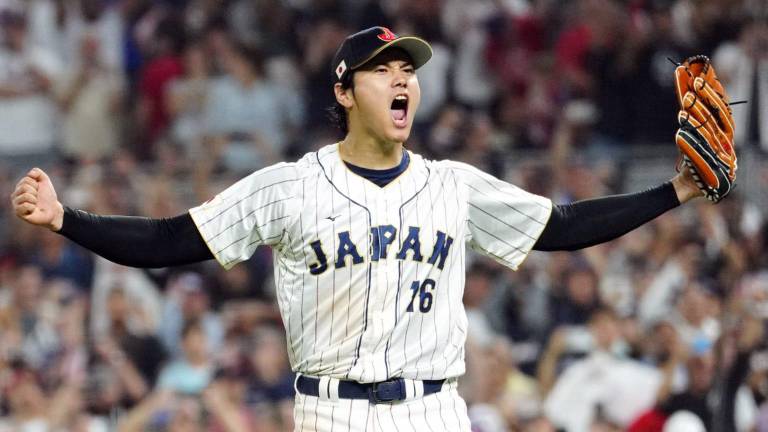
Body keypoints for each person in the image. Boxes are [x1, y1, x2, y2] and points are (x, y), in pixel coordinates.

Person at [12, 26, 704, 431]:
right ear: (344, 92)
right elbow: (169, 240)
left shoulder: (451, 184)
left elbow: (562, 225)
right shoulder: (289, 188)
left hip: (434, 411)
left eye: (409, 70)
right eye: (383, 72)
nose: (403, 80)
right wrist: (68, 219)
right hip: (331, 414)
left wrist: (677, 189)